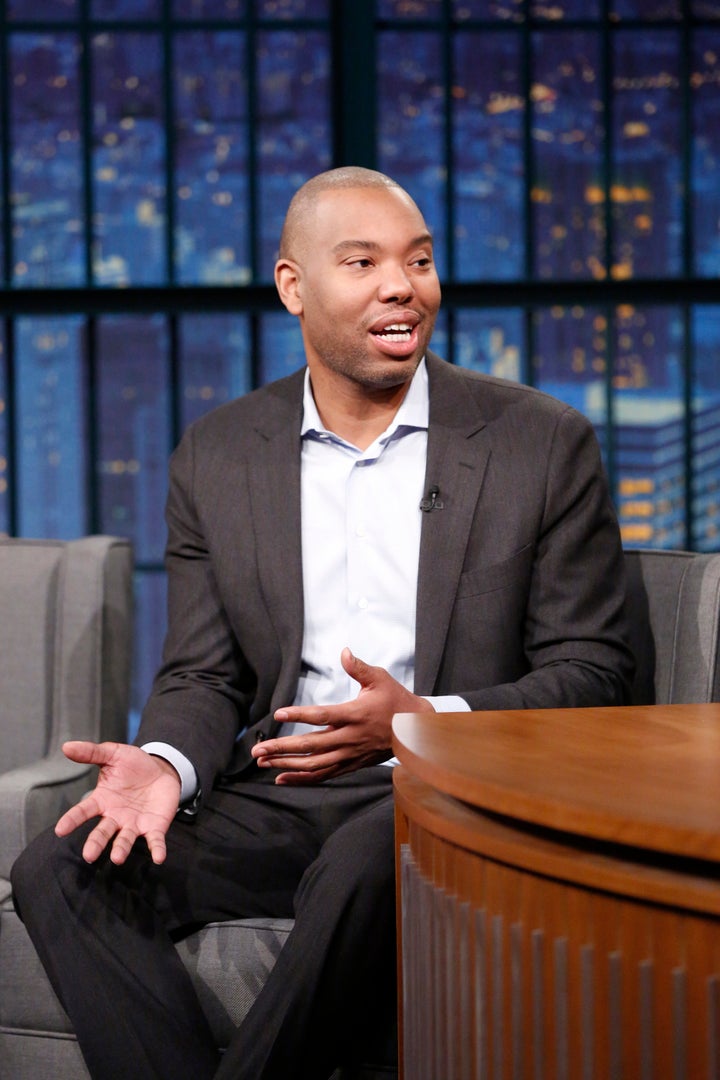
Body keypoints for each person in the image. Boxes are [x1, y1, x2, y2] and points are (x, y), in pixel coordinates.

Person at [11, 166, 634, 1080]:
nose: (402, 286)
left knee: (365, 864)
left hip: (449, 797)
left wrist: (420, 723)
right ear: (293, 287)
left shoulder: (540, 443)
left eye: (418, 261)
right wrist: (167, 765)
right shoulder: (220, 454)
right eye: (364, 261)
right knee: (58, 872)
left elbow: (596, 673)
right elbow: (203, 674)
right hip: (279, 792)